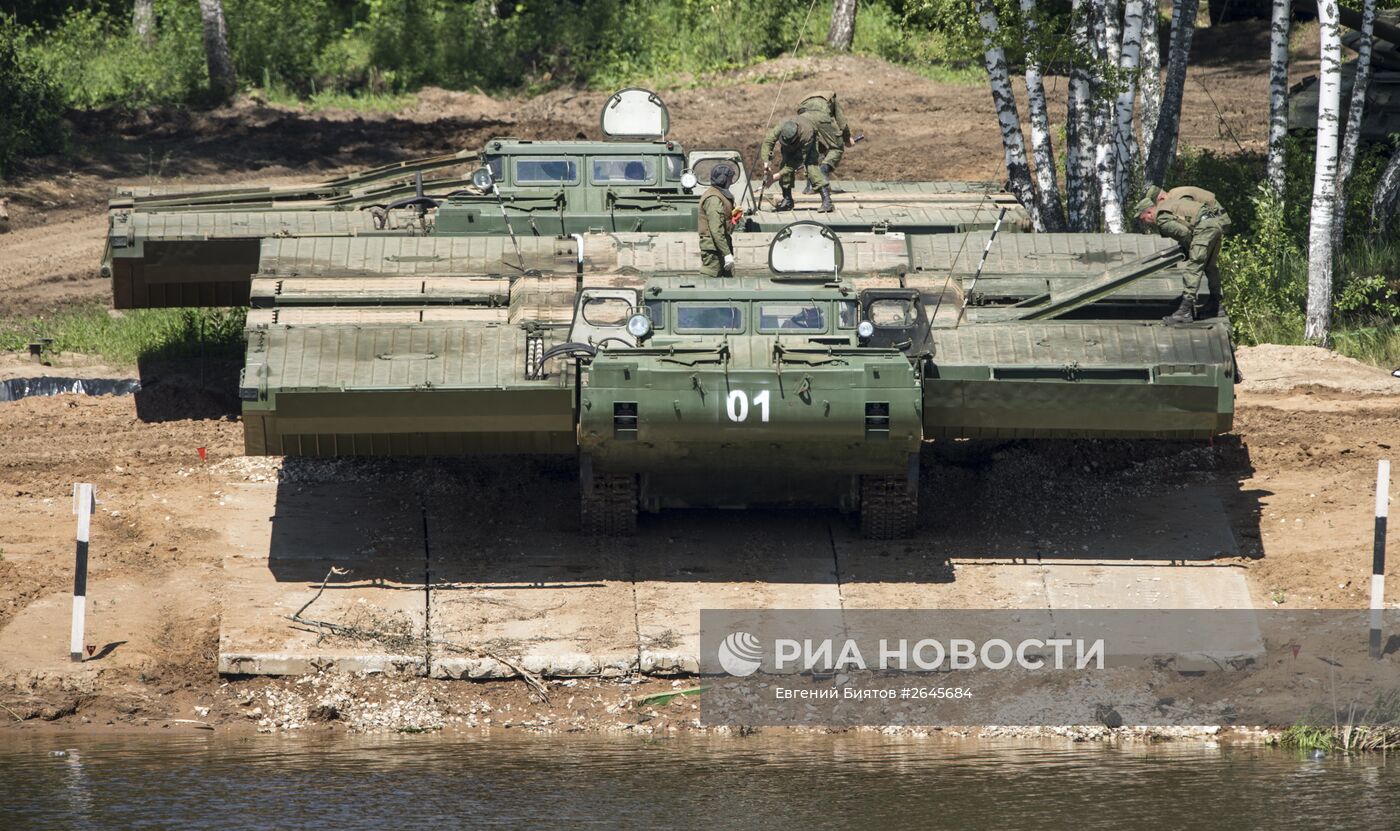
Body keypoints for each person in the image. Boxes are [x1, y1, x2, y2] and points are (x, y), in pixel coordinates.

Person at [1133, 184, 1232, 324]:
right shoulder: (1171, 203)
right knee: (1210, 266)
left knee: (1193, 267)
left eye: (1144, 219)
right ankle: (1216, 306)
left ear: (1149, 213)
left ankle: (1185, 311)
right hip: (1214, 224)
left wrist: (1191, 248)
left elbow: (1184, 233)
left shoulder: (1162, 218)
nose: (1146, 223)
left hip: (1204, 228)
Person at [761, 117, 831, 213]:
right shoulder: (782, 126)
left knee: (811, 167)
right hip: (791, 144)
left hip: (808, 142)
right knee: (785, 164)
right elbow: (768, 141)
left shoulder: (807, 134)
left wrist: (775, 177)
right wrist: (766, 163)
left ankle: (827, 201)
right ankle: (788, 200)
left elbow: (796, 162)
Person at [796, 91, 852, 194]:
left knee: (810, 150)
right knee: (837, 148)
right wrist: (847, 139)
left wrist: (824, 150)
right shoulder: (831, 98)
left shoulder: (803, 101)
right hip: (822, 115)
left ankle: (810, 186)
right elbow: (842, 123)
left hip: (803, 118)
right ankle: (823, 170)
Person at [698, 163, 738, 278]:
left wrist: (733, 219)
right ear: (723, 180)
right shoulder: (714, 199)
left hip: (720, 247)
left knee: (728, 284)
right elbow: (716, 229)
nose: (731, 182)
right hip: (714, 251)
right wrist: (727, 254)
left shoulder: (720, 195)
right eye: (730, 179)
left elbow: (723, 224)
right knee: (709, 284)